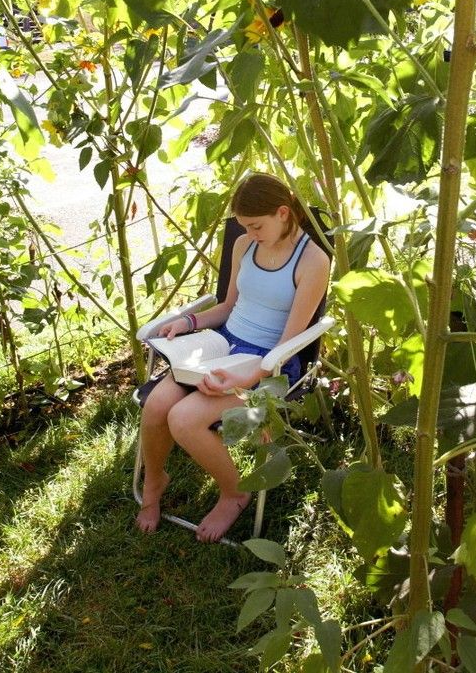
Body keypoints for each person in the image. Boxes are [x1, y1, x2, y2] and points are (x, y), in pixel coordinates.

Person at [136, 173, 331, 542]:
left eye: (256, 225)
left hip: (269, 362)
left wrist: (249, 377)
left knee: (185, 420)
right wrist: (187, 321)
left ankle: (235, 492)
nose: (250, 233)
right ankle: (155, 480)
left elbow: (289, 343)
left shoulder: (313, 261)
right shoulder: (244, 245)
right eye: (244, 226)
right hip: (222, 345)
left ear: (283, 213)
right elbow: (228, 306)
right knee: (157, 405)